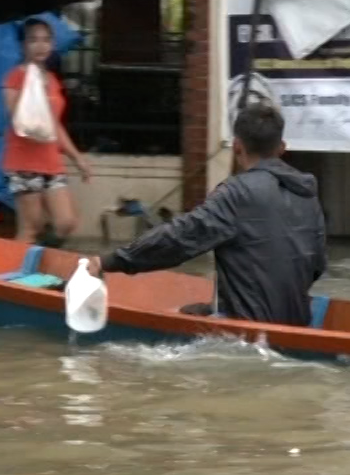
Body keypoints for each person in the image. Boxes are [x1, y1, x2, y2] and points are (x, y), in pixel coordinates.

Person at [90, 104, 328, 328]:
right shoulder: (308, 195)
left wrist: (109, 261)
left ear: (236, 147)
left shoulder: (236, 193)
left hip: (245, 336)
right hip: (298, 322)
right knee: (197, 309)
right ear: (282, 148)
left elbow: (178, 239)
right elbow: (317, 265)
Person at [2, 17, 95, 246]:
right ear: (24, 46)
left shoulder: (52, 80)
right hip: (23, 160)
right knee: (31, 228)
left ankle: (38, 261)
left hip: (50, 161)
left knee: (66, 222)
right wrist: (34, 91)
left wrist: (77, 157)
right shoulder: (15, 77)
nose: (40, 45)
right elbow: (18, 119)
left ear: (52, 44)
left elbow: (55, 125)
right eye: (33, 40)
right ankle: (14, 275)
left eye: (45, 40)